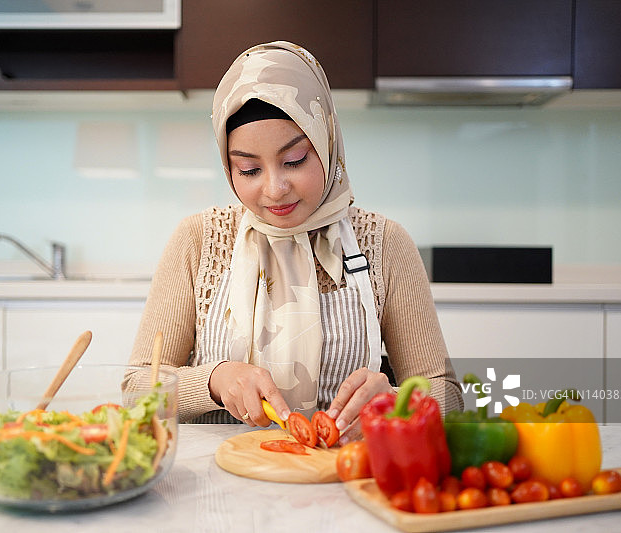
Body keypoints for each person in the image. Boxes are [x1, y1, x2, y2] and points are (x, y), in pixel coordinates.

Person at [126, 41, 462, 443]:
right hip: (215, 489)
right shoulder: (200, 239)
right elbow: (136, 388)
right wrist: (214, 380)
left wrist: (393, 400)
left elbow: (449, 395)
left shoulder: (385, 243)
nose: (274, 189)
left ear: (326, 142)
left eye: (295, 161)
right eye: (248, 169)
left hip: (339, 480)